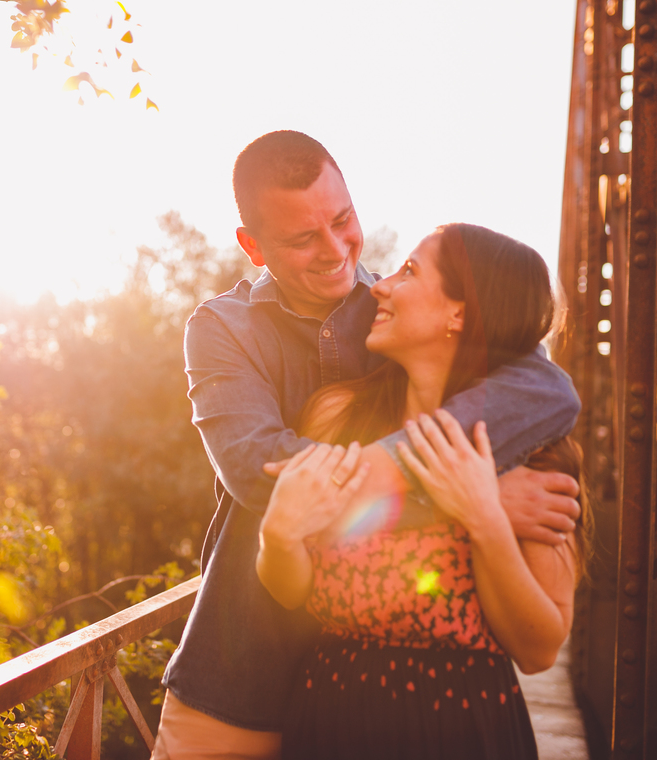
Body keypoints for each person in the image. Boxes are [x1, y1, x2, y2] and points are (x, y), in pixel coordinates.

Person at [152, 131, 581, 760]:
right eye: (303, 238)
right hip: (243, 677)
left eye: (342, 219)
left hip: (380, 702)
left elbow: (549, 389)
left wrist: (478, 503)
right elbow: (259, 473)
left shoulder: (398, 313)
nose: (335, 251)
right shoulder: (224, 329)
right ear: (254, 247)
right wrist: (460, 497)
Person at [257, 224, 588, 759]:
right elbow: (292, 593)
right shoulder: (338, 416)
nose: (380, 287)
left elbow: (539, 650)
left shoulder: (537, 457)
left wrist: (484, 516)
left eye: (409, 271)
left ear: (460, 313)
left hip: (464, 730)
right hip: (331, 719)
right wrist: (276, 539)